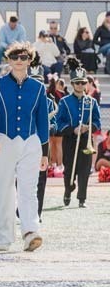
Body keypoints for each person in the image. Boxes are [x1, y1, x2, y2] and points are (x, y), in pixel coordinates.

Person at [0, 41, 49, 252]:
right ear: (9, 60)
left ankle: (30, 232)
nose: (19, 61)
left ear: (30, 61)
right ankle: (4, 237)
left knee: (29, 189)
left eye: (24, 57)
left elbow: (43, 120)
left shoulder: (38, 88)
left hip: (30, 141)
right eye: (15, 57)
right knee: (4, 189)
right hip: (3, 140)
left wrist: (45, 153)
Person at [55, 57, 101, 208]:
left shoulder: (92, 102)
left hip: (86, 139)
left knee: (84, 169)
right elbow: (59, 122)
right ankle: (68, 190)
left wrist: (88, 127)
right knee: (69, 170)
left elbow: (97, 121)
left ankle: (82, 198)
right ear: (72, 83)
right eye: (77, 82)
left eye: (83, 82)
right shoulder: (64, 101)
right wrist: (72, 129)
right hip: (70, 139)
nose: (80, 85)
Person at [28, 54, 56, 222]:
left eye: (39, 81)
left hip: (42, 145)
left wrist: (49, 127)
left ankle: (36, 213)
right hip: (23, 144)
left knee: (40, 180)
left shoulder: (50, 102)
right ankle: (22, 207)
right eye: (34, 80)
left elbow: (55, 124)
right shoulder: (21, 99)